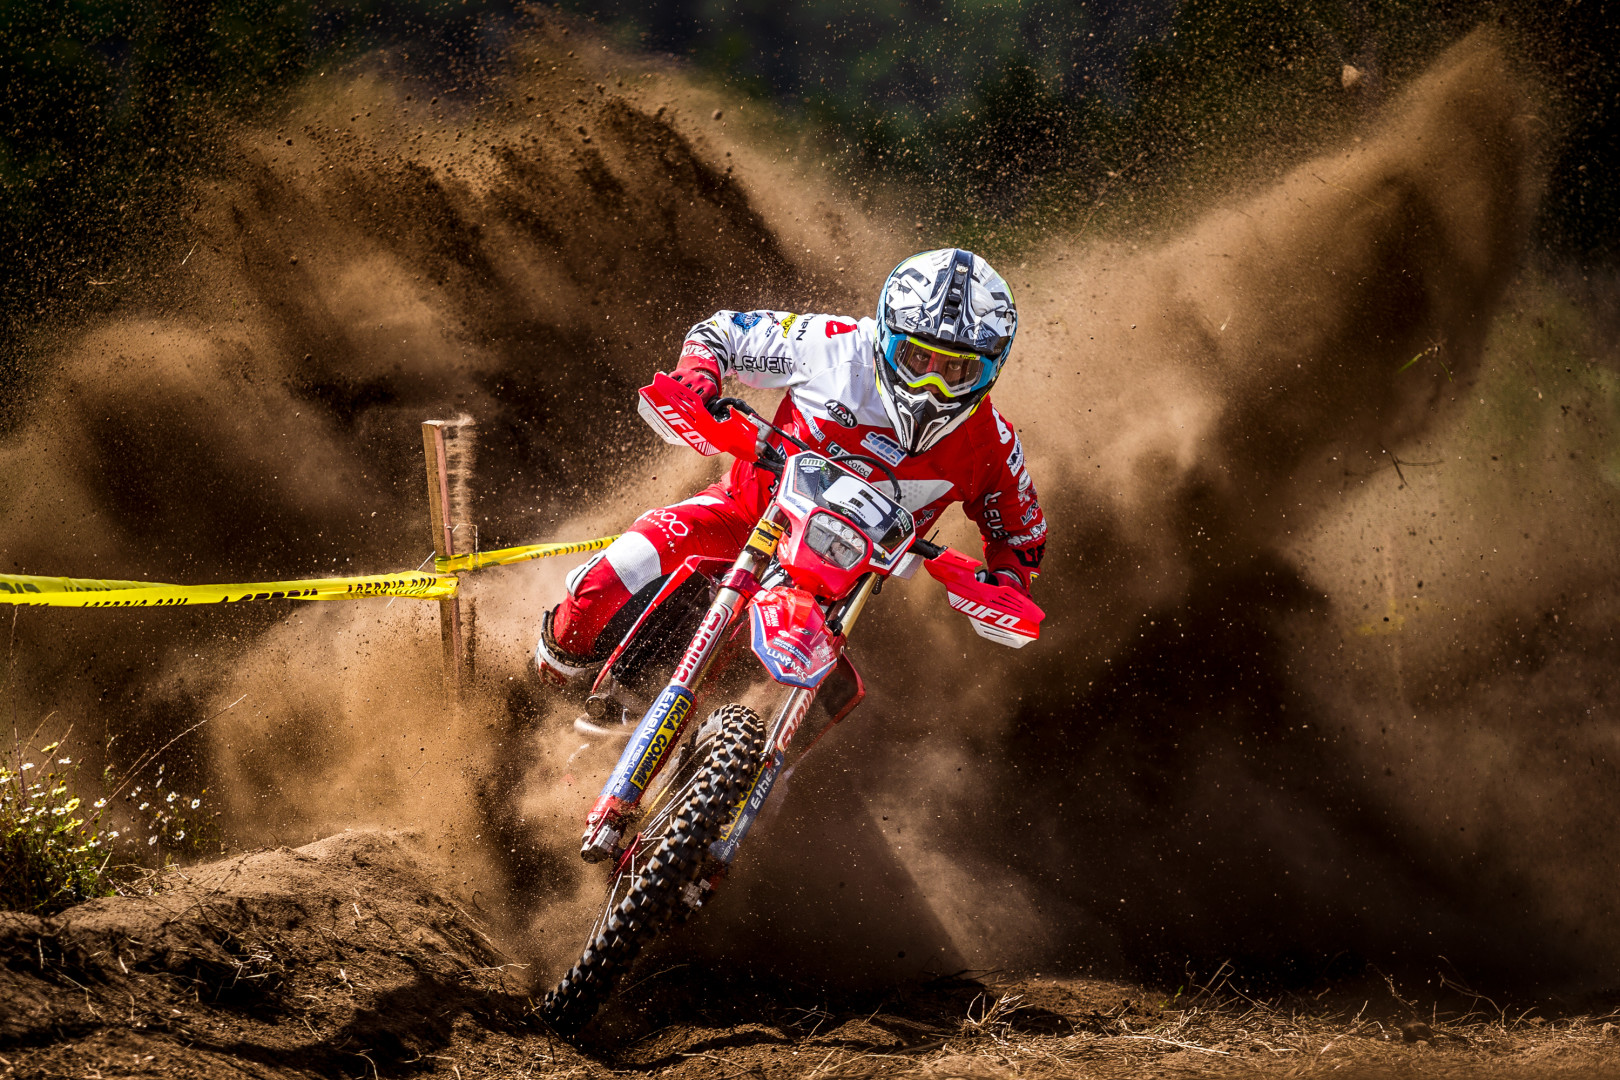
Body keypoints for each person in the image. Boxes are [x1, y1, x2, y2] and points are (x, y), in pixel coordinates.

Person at [534, 248, 1046, 690]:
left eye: (958, 369)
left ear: (990, 370)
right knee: (607, 580)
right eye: (915, 358)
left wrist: (1005, 582)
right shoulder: (834, 345)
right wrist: (698, 379)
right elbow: (725, 333)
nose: (932, 385)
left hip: (835, 593)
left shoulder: (993, 444)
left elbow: (1022, 537)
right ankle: (548, 688)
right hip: (742, 517)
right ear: (886, 339)